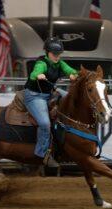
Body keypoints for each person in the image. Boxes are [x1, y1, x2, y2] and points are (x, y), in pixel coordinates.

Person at [24, 37, 78, 167]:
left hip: (49, 93)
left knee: (71, 99)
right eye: (54, 54)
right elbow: (34, 74)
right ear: (47, 52)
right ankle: (42, 154)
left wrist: (73, 75)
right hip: (35, 96)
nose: (57, 56)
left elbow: (72, 71)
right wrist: (38, 75)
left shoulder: (60, 63)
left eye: (59, 54)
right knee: (44, 123)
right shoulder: (41, 63)